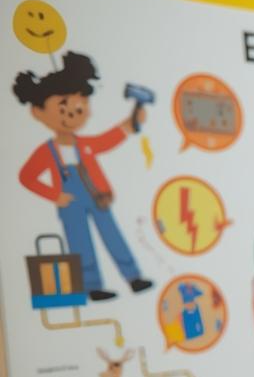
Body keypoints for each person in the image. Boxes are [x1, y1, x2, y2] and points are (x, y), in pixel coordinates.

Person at [14, 51, 153, 301]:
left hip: (96, 194)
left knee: (112, 234)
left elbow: (107, 140)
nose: (72, 114)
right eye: (62, 107)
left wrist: (130, 124)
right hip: (69, 199)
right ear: (38, 112)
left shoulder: (86, 145)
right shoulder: (45, 152)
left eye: (80, 106)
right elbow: (26, 177)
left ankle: (133, 277)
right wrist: (54, 194)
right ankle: (91, 286)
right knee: (79, 242)